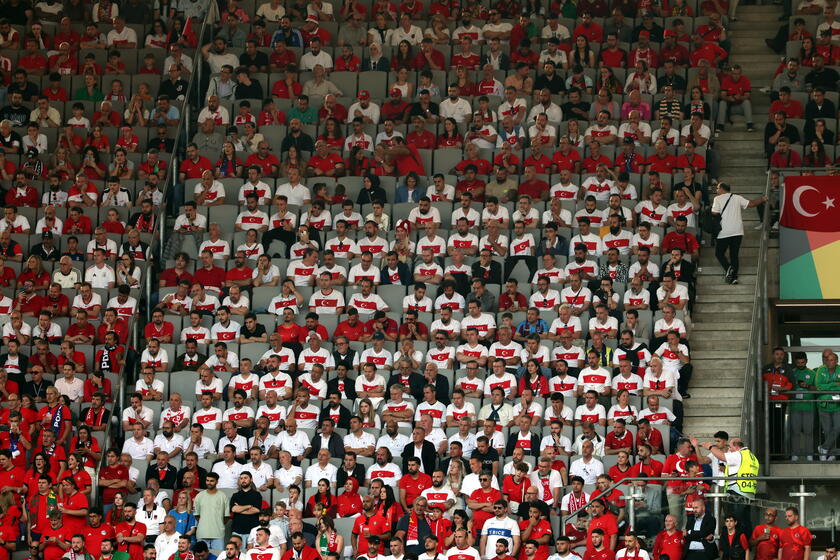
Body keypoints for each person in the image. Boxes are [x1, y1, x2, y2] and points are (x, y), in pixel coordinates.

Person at [710, 182, 767, 285]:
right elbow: (751, 204)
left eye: (717, 188)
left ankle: (729, 269)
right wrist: (762, 199)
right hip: (737, 231)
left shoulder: (717, 199)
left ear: (722, 189)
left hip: (724, 231)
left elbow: (714, 213)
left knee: (719, 253)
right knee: (734, 255)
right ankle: (733, 277)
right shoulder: (737, 197)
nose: (716, 190)